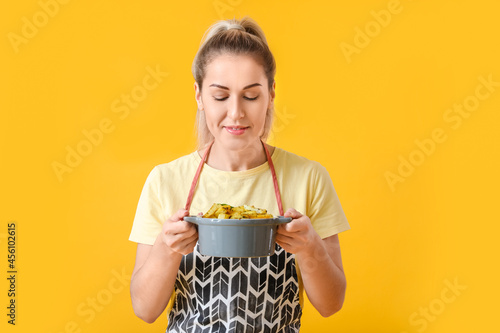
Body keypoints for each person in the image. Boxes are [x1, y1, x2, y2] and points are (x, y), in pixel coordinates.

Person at [129, 16, 350, 332]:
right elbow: (144, 309)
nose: (236, 113)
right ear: (199, 96)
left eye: (251, 95)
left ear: (271, 94)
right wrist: (167, 250)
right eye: (220, 96)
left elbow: (331, 304)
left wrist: (309, 246)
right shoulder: (165, 181)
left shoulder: (309, 178)